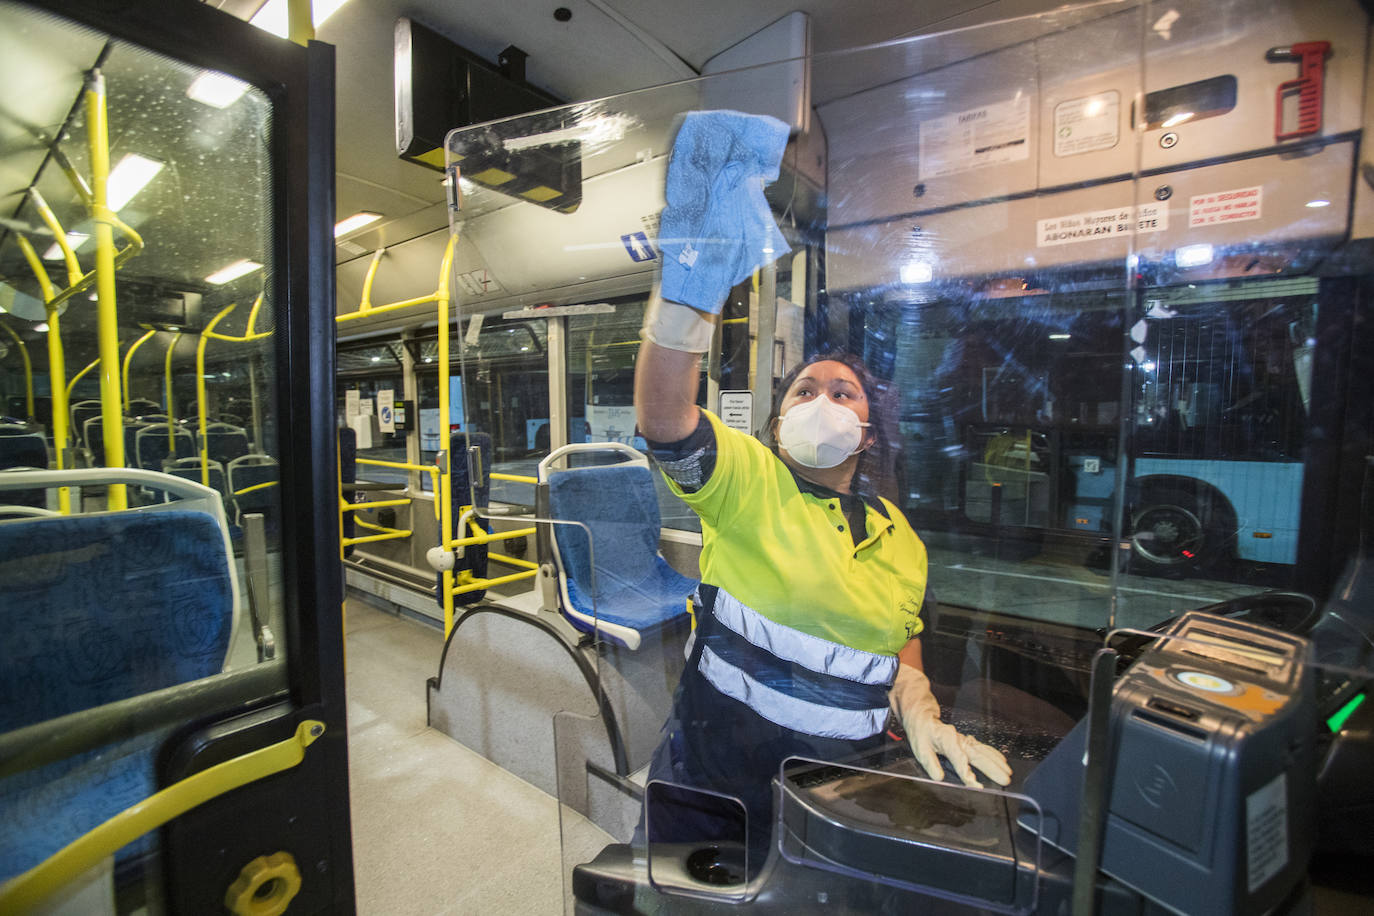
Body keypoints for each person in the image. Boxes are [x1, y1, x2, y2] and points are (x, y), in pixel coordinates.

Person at [634, 292, 1013, 866]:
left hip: (839, 790)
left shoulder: (898, 536)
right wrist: (687, 300)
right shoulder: (750, 483)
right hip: (711, 781)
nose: (821, 401)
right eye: (804, 391)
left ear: (868, 433)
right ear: (780, 422)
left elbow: (900, 635)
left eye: (843, 393)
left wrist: (918, 705)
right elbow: (665, 419)